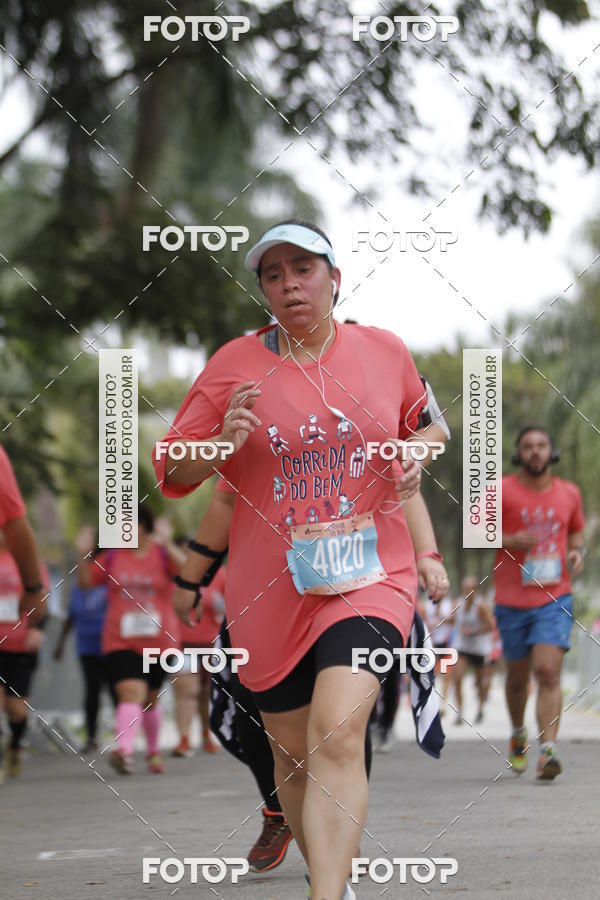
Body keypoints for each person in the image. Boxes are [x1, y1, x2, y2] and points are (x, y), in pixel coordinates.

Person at [154, 219, 448, 898]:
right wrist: (222, 442)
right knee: (292, 754)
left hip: (370, 577)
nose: (290, 284)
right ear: (263, 289)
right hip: (269, 592)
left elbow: (430, 423)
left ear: (335, 278)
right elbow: (172, 466)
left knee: (338, 733)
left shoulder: (384, 350)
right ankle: (332, 878)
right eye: (273, 274)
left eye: (304, 268)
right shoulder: (235, 364)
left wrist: (417, 451)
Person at [495, 426, 585, 780]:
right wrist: (510, 538)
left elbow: (576, 530)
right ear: (519, 454)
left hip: (555, 595)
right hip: (511, 599)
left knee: (548, 671)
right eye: (528, 446)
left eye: (541, 445)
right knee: (518, 679)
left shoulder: (569, 494)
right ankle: (519, 734)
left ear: (551, 451)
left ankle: (548, 751)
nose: (535, 452)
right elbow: (475, 533)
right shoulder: (501, 490)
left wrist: (577, 552)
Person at [78, 505, 185, 775]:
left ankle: (152, 751)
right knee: (130, 692)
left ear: (144, 525)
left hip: (159, 641)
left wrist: (168, 543)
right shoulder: (112, 556)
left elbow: (187, 571)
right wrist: (82, 554)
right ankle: (124, 750)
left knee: (150, 698)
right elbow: (86, 582)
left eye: (132, 523)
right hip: (120, 639)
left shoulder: (161, 554)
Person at [53, 549, 116, 753]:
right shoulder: (77, 588)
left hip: (111, 645)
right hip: (87, 646)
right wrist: (60, 644)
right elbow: (70, 617)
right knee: (92, 691)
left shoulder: (110, 584)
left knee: (116, 691)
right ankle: (92, 737)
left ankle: (124, 735)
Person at [0, 528, 47, 780]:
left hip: (20, 646)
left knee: (17, 710)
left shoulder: (28, 561)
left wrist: (38, 629)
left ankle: (16, 743)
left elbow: (42, 599)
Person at [172, 558, 224, 757]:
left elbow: (231, 604)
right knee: (187, 689)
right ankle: (184, 739)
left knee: (207, 692)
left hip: (212, 644)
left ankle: (206, 736)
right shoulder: (177, 574)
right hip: (182, 644)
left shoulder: (219, 574)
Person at [449, 575, 495, 725]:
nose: (467, 592)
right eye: (465, 589)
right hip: (462, 646)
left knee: (479, 681)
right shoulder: (458, 603)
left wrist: (474, 632)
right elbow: (453, 620)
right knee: (457, 677)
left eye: (470, 589)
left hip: (478, 648)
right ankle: (459, 712)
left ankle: (481, 707)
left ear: (475, 590)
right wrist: (439, 621)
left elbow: (490, 626)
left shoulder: (480, 606)